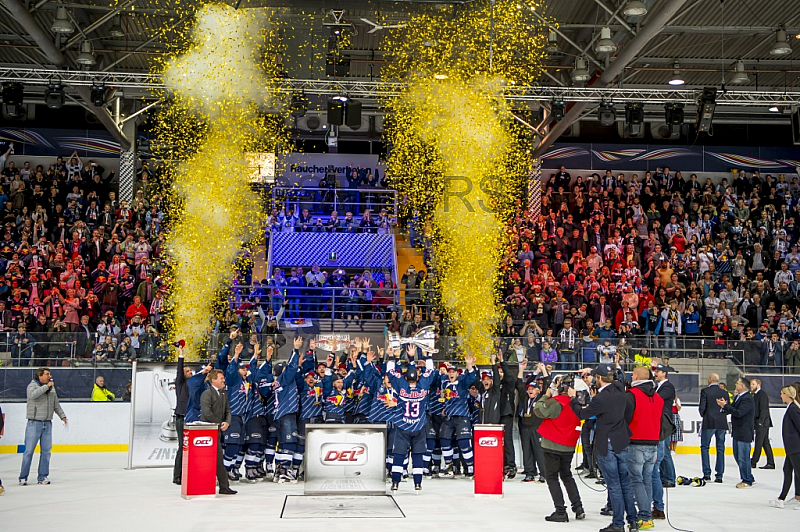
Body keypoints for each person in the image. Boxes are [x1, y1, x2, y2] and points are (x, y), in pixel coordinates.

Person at [569, 364, 638, 532]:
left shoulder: (601, 398)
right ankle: (633, 520)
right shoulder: (622, 392)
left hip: (606, 442)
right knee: (626, 484)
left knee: (614, 484)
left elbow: (582, 414)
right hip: (621, 440)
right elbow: (628, 413)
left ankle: (618, 524)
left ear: (599, 379)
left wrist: (573, 399)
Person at [534, 372, 586, 523]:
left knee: (552, 477)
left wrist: (545, 395)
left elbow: (539, 410)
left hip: (552, 445)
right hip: (569, 446)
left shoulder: (557, 402)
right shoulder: (577, 403)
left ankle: (560, 510)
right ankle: (578, 507)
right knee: (566, 475)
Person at [385, 344, 436, 493]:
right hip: (419, 427)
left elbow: (390, 371)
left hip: (403, 426)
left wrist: (394, 357)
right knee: (418, 455)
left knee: (399, 455)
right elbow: (430, 371)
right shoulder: (423, 386)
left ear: (406, 378)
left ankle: (395, 482)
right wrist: (427, 356)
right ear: (417, 377)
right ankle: (418, 484)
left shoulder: (401, 386)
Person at [625, 366, 664, 530]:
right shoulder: (658, 398)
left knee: (637, 480)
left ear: (635, 377)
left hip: (636, 442)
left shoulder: (631, 395)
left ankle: (645, 515)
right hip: (653, 443)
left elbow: (625, 419)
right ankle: (647, 514)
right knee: (647, 479)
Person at [19, 367, 67, 486]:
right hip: (34, 423)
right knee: (29, 451)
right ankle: (23, 477)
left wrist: (62, 416)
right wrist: (47, 386)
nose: (49, 376)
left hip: (47, 423)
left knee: (46, 452)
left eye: (49, 374)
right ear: (40, 376)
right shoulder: (32, 386)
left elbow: (56, 404)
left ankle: (43, 476)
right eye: (46, 374)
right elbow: (33, 395)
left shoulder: (51, 388)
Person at [199, 368, 237, 495]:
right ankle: (215, 485)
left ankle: (224, 486)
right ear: (213, 380)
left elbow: (228, 410)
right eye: (221, 378)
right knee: (212, 459)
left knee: (218, 459)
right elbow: (207, 413)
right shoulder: (207, 394)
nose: (224, 380)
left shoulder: (224, 394)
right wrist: (220, 423)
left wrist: (227, 422)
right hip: (207, 432)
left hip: (218, 431)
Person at [718, 377, 755, 488]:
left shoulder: (747, 399)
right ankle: (748, 476)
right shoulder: (739, 397)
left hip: (744, 432)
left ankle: (747, 480)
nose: (735, 384)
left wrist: (725, 406)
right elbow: (732, 409)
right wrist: (724, 406)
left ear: (742, 386)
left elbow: (738, 413)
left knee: (743, 457)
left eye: (737, 383)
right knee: (738, 455)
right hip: (738, 431)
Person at [769, 384, 800, 509]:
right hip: (792, 448)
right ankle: (782, 499)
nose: (780, 395)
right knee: (787, 471)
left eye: (782, 393)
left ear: (787, 395)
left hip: (796, 447)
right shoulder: (791, 407)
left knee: (798, 473)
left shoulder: (793, 408)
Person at [517, 361, 548, 483]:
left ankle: (544, 474)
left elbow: (546, 384)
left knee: (539, 451)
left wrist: (543, 370)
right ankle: (530, 472)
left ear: (538, 391)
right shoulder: (525, 398)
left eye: (533, 389)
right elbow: (519, 384)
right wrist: (521, 369)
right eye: (529, 388)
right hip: (525, 427)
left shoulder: (541, 398)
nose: (530, 390)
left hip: (537, 428)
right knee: (527, 451)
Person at [699, 372, 728, 483]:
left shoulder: (705, 391)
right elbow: (727, 408)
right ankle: (719, 475)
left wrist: (705, 415)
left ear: (710, 380)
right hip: (721, 422)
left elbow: (702, 408)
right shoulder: (724, 392)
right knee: (720, 448)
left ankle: (707, 473)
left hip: (709, 422)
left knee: (705, 447)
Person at [750, 378, 775, 470]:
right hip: (762, 422)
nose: (751, 386)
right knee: (765, 443)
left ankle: (753, 461)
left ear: (758, 385)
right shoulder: (756, 395)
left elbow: (764, 409)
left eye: (753, 384)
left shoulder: (762, 395)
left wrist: (760, 421)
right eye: (751, 384)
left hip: (763, 422)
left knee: (759, 442)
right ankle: (771, 462)